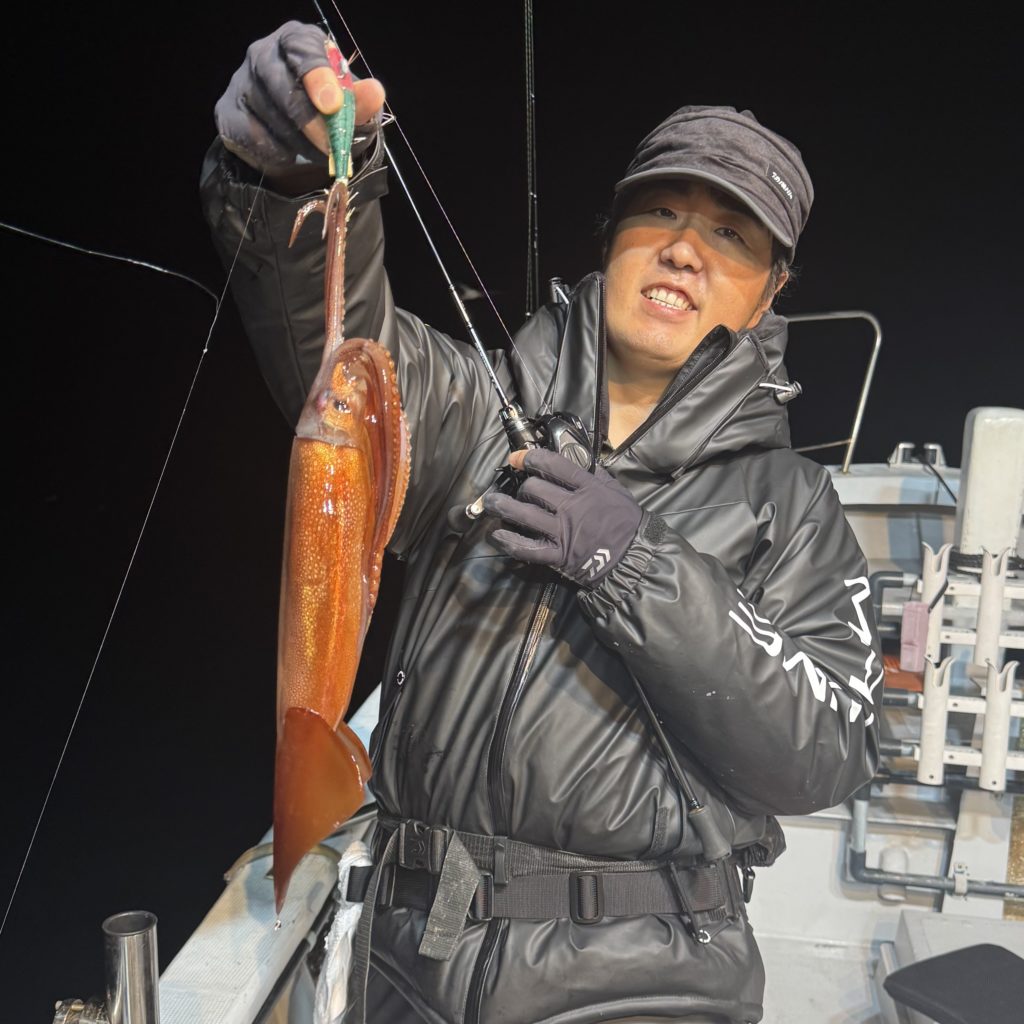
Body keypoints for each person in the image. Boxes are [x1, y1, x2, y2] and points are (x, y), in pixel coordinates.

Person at [201, 20, 882, 1024]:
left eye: (733, 235)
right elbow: (340, 357)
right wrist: (296, 179)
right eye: (660, 210)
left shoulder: (793, 505)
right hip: (409, 963)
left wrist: (635, 562)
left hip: (644, 981)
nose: (685, 248)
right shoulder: (475, 412)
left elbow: (824, 749)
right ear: (611, 237)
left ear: (771, 290)